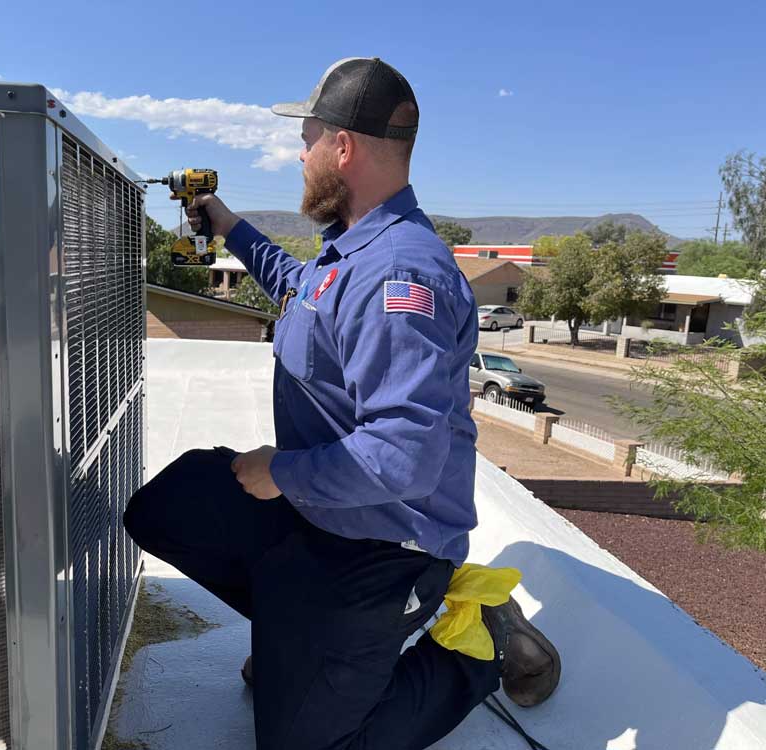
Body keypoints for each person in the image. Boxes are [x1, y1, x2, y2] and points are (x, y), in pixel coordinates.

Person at [125, 57, 559, 750]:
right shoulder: (351, 254)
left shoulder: (399, 273)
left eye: (309, 140)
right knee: (166, 508)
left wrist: (280, 473)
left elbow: (403, 457)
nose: (300, 155)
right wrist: (228, 223)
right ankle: (299, 634)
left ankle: (475, 649)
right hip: (323, 512)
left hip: (384, 545)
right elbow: (298, 286)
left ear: (343, 148)